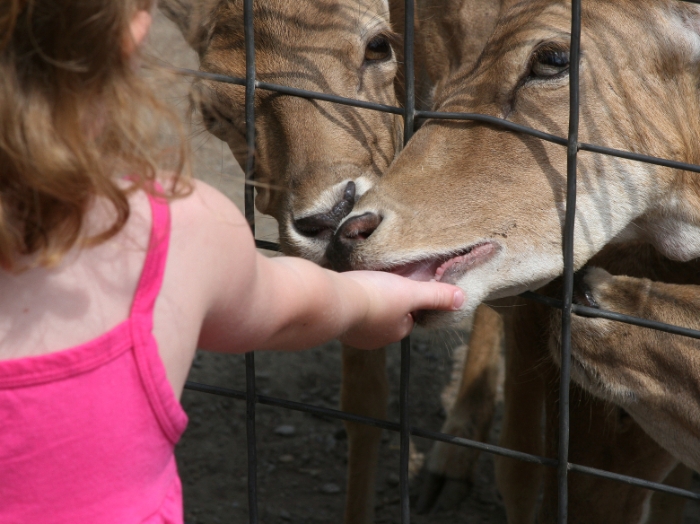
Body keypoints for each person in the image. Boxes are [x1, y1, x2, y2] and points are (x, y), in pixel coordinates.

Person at [0, 1, 464, 522]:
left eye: (378, 49)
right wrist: (364, 300)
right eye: (224, 117)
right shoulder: (180, 228)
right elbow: (285, 305)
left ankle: (477, 387)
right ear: (134, 29)